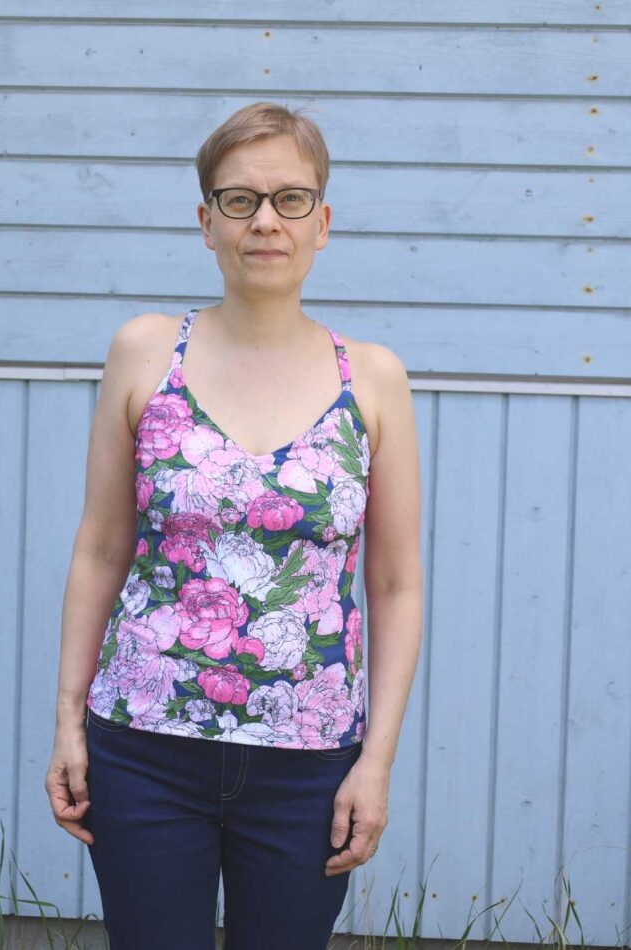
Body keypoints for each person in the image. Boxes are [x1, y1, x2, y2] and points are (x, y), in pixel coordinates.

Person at [45, 101, 423, 950]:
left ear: (322, 224)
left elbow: (395, 584)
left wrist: (377, 762)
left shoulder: (374, 380)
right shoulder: (145, 353)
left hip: (310, 762)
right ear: (205, 221)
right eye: (239, 199)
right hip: (143, 749)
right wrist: (69, 722)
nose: (265, 221)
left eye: (291, 199)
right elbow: (102, 546)